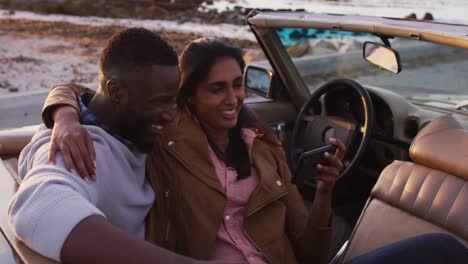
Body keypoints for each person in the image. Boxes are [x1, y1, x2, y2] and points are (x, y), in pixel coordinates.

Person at [39, 37, 346, 264]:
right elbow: (94, 94)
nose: (233, 98)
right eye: (217, 88)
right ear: (187, 96)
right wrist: (64, 115)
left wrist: (323, 193)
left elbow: (312, 257)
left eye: (238, 85)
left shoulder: (265, 146)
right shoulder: (164, 137)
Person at [8, 28, 229, 264]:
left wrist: (64, 113)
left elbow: (71, 89)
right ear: (116, 92)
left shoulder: (131, 129)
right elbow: (40, 206)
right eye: (160, 102)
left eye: (173, 100)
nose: (170, 114)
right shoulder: (81, 151)